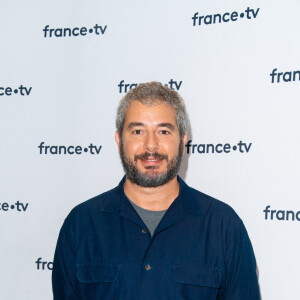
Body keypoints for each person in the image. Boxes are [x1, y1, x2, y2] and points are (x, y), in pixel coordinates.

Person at [52, 81, 261, 299]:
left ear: (182, 141)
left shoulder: (224, 226)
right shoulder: (81, 225)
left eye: (163, 131)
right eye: (138, 131)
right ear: (119, 140)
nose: (150, 145)